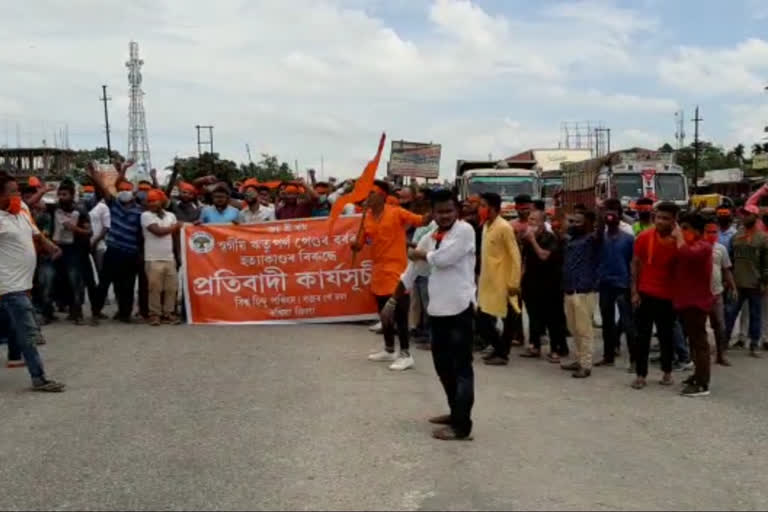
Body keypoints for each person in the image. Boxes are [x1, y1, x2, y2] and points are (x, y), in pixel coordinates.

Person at [381, 189, 476, 440]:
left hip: (460, 309)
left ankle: (462, 426)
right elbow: (412, 270)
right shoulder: (432, 235)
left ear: (457, 211)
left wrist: (421, 254)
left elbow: (443, 259)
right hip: (438, 311)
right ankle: (455, 412)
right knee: (442, 366)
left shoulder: (465, 231)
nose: (444, 215)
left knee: (461, 368)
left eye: (449, 211)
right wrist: (392, 301)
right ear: (432, 212)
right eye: (440, 211)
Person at [0, 173, 65, 391]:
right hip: (8, 286)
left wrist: (50, 246)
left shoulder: (23, 210)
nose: (18, 195)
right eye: (13, 192)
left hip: (24, 284)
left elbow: (35, 234)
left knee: (16, 329)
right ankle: (39, 378)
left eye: (18, 191)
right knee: (27, 332)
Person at [354, 180, 426, 371]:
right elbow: (359, 244)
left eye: (372, 193)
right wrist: (355, 245)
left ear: (383, 196)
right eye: (367, 194)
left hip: (397, 271)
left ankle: (405, 354)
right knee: (383, 313)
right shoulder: (366, 217)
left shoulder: (396, 212)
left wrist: (430, 208)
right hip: (378, 271)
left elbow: (420, 220)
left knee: (400, 313)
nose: (368, 197)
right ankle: (389, 349)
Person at [631, 202, 680, 389]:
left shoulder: (680, 240)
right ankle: (640, 375)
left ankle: (667, 372)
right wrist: (634, 291)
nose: (660, 221)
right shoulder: (644, 237)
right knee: (642, 336)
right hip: (646, 294)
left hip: (669, 296)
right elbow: (635, 264)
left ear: (674, 220)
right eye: (658, 217)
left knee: (666, 336)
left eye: (665, 218)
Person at [88, 161, 144, 323]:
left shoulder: (140, 212)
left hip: (130, 253)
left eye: (127, 189)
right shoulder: (114, 204)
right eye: (122, 189)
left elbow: (140, 235)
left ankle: (124, 314)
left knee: (127, 285)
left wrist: (139, 253)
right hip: (113, 251)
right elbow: (106, 188)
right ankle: (96, 312)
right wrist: (95, 176)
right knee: (104, 283)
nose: (124, 192)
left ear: (133, 193)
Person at [476, 192, 522, 366]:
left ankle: (502, 353)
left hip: (504, 283)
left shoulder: (504, 227)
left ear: (493, 208)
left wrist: (514, 283)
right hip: (488, 282)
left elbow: (515, 256)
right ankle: (499, 349)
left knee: (507, 319)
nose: (479, 209)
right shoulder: (487, 226)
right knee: (482, 320)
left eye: (482, 205)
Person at [673, 213, 714, 397]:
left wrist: (679, 237)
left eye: (685, 228)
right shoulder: (692, 244)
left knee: (700, 344)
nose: (682, 232)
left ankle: (702, 383)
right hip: (686, 300)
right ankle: (697, 374)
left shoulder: (703, 246)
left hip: (697, 301)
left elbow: (686, 254)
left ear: (696, 230)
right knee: (693, 342)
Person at [520, 209, 568, 361]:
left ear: (542, 223)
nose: (531, 222)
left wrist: (533, 240)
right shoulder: (527, 239)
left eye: (534, 220)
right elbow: (524, 261)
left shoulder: (550, 238)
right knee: (534, 315)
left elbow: (544, 256)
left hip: (550, 283)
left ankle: (557, 349)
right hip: (531, 282)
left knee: (552, 318)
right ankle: (534, 345)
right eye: (530, 219)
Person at [595, 198, 635, 368]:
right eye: (607, 213)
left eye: (614, 213)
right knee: (607, 322)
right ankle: (608, 356)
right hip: (604, 283)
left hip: (622, 283)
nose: (610, 216)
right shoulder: (600, 237)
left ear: (620, 216)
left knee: (628, 323)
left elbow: (632, 264)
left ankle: (635, 359)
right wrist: (599, 216)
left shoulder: (628, 238)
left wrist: (634, 287)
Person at [725, 205, 768, 358]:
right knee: (730, 313)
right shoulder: (736, 237)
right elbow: (729, 260)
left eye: (748, 214)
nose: (744, 217)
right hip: (737, 283)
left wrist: (764, 282)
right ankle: (724, 342)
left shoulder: (763, 238)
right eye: (743, 214)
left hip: (755, 283)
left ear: (755, 217)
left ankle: (754, 344)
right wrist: (728, 280)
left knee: (756, 315)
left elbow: (766, 263)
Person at [560, 210, 599, 378]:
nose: (574, 224)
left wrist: (600, 210)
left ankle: (586, 364)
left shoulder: (592, 239)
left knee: (584, 330)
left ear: (588, 223)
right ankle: (578, 359)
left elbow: (601, 230)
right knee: (573, 328)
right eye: (573, 221)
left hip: (583, 291)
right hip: (569, 289)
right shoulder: (572, 239)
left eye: (578, 222)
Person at [50, 180, 92, 325]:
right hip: (57, 249)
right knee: (61, 280)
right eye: (60, 194)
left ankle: (77, 311)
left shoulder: (80, 210)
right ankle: (66, 307)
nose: (62, 197)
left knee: (75, 280)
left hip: (73, 250)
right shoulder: (54, 208)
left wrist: (74, 228)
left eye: (65, 194)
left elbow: (88, 232)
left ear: (72, 195)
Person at [141, 189, 182, 326]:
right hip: (153, 258)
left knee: (172, 288)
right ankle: (154, 314)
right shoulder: (146, 215)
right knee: (154, 288)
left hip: (169, 258)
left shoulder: (171, 216)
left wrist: (178, 254)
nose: (151, 203)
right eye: (150, 201)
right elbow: (157, 232)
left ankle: (168, 313)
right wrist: (175, 226)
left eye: (154, 200)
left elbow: (175, 237)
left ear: (162, 201)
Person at [704, 220, 735, 367]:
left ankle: (720, 355)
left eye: (714, 232)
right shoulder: (697, 247)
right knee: (698, 327)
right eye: (708, 231)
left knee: (720, 326)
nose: (711, 235)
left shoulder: (721, 249)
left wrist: (733, 286)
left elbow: (726, 269)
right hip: (700, 294)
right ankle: (698, 354)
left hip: (716, 293)